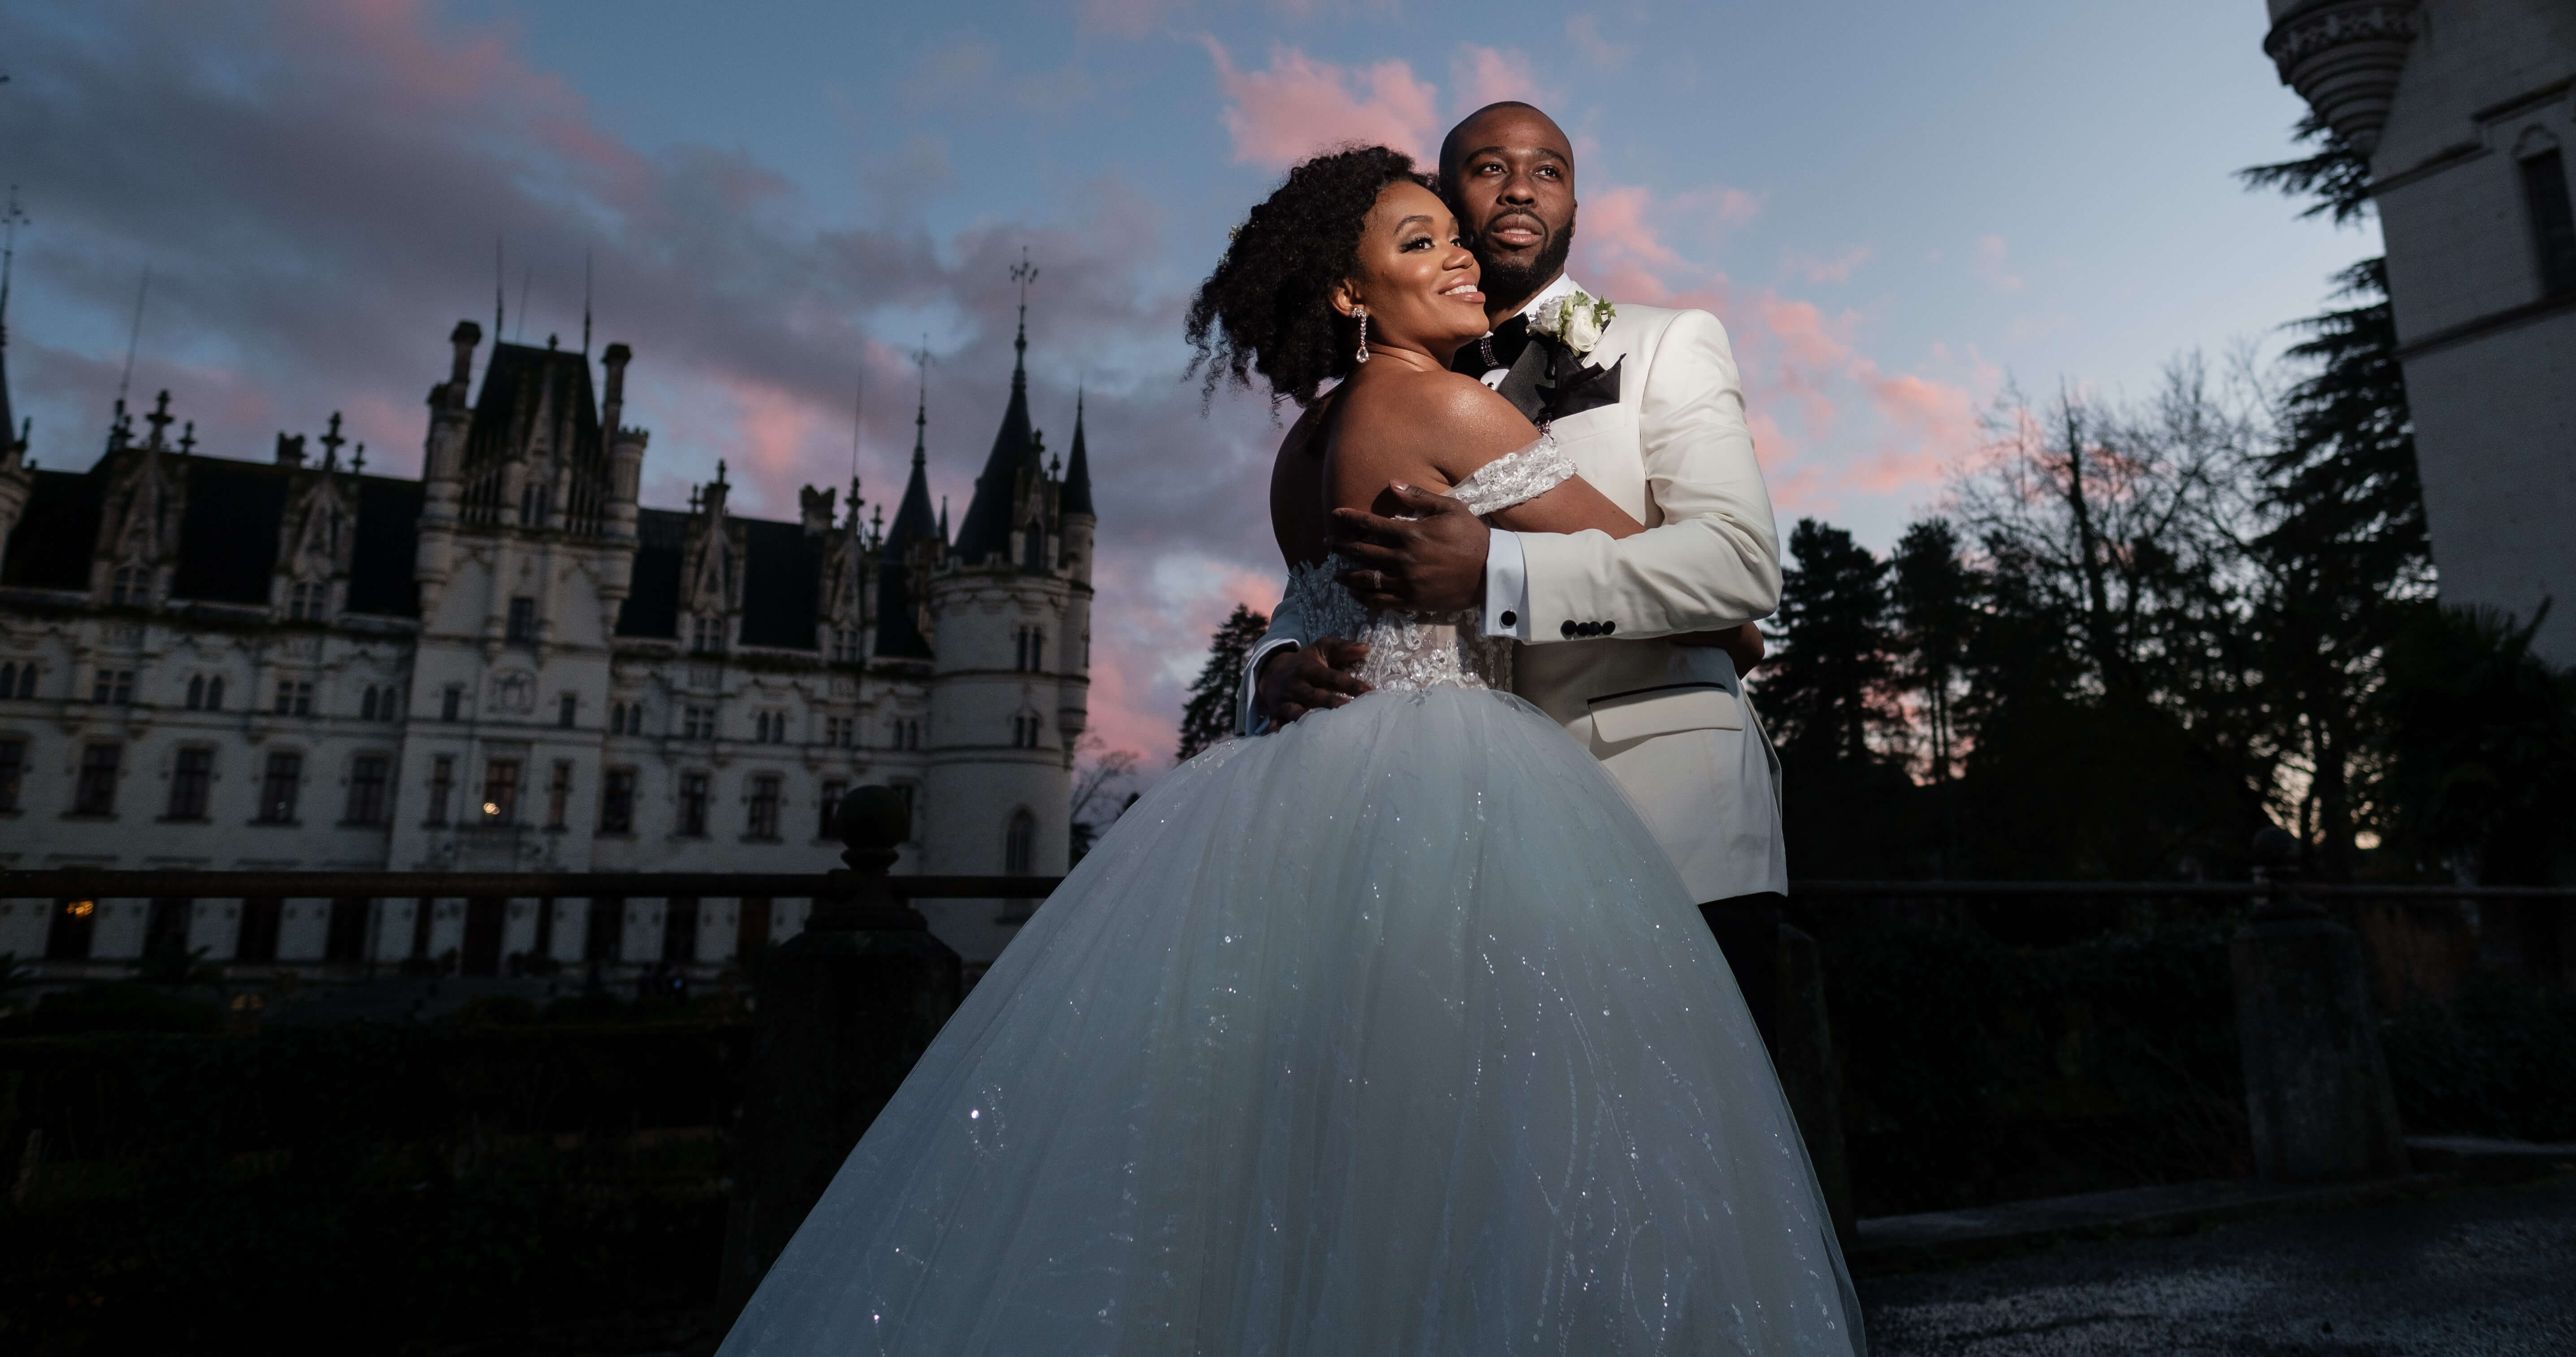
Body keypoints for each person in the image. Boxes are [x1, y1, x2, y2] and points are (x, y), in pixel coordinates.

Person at [717, 147, 1862, 1356]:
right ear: (1347, 294)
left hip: (1306, 784)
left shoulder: (1302, 447)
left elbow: (1312, 615)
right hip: (1453, 778)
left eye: (1451, 237)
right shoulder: (1446, 406)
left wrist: (1273, 672)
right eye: (1417, 243)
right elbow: (1719, 607)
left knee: (1292, 1156)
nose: (1458, 254)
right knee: (1496, 1147)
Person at [1248, 102, 1793, 1035]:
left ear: (1575, 200)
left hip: (1663, 815)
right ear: (1445, 192)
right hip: (1470, 830)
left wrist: (1498, 572)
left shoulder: (1666, 339)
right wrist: (1276, 668)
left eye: (1548, 170)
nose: (1520, 189)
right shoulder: (1397, 396)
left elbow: (1739, 567)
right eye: (1488, 169)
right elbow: (1329, 583)